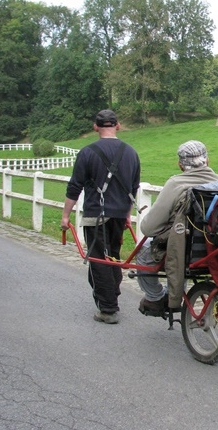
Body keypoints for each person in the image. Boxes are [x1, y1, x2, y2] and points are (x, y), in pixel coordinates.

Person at [61, 109, 141, 325]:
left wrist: (65, 216)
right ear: (118, 126)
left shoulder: (87, 152)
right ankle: (110, 294)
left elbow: (74, 187)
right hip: (118, 216)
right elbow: (133, 188)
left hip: (96, 214)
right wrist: (127, 215)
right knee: (112, 256)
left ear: (95, 127)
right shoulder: (131, 153)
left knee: (98, 260)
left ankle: (108, 308)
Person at [138, 140, 218, 315]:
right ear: (207, 161)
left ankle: (156, 297)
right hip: (214, 250)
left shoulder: (175, 184)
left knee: (143, 255)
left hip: (183, 251)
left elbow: (149, 228)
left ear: (180, 164)